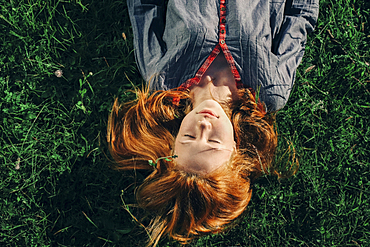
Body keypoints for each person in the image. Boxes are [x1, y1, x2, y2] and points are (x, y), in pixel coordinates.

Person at [107, 0, 319, 246]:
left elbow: (145, 8)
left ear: (173, 141)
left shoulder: (162, 77)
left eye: (188, 137)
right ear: (236, 152)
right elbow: (300, 17)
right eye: (214, 142)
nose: (204, 127)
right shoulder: (270, 90)